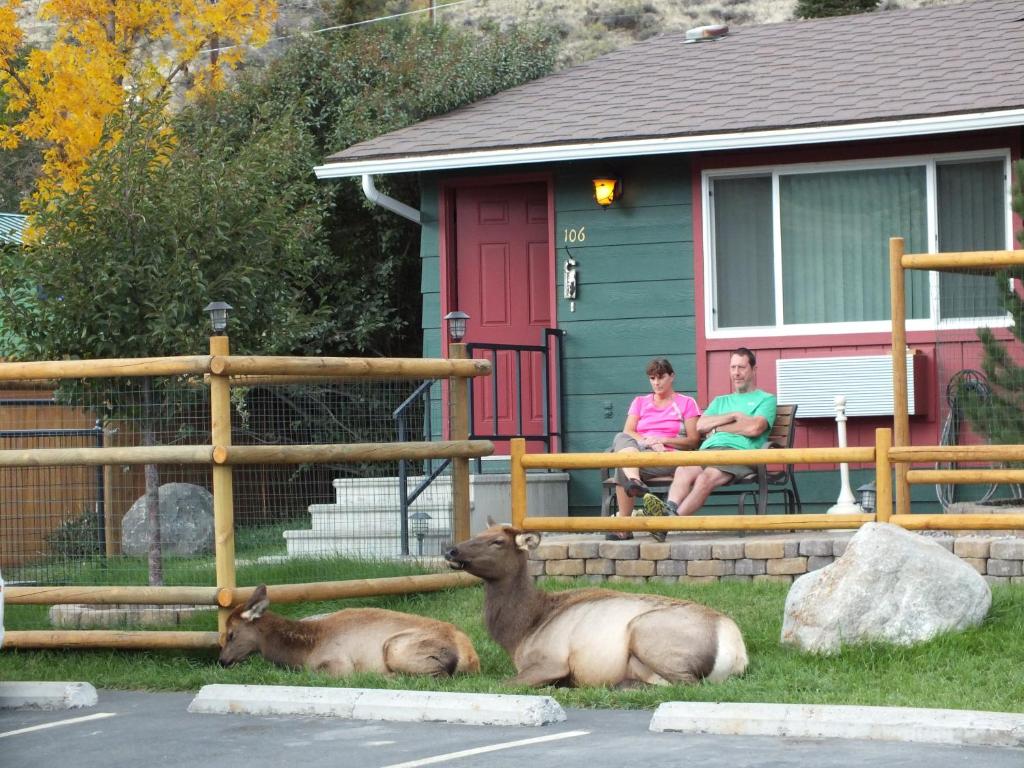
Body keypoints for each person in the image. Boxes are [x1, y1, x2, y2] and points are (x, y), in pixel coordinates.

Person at [639, 347, 776, 523]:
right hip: (708, 451)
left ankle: (669, 523)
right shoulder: (720, 401)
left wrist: (717, 428)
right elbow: (701, 425)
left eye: (742, 367)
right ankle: (669, 510)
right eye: (733, 367)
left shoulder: (766, 399)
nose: (736, 373)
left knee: (705, 478)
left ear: (754, 370)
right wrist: (733, 417)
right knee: (683, 469)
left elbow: (754, 428)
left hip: (739, 452)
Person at [605, 357, 701, 541]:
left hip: (669, 456)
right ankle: (635, 481)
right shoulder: (640, 402)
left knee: (622, 466)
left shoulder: (686, 403)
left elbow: (693, 441)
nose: (656, 383)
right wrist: (649, 442)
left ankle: (625, 526)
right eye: (652, 378)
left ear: (671, 376)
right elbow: (629, 431)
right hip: (642, 452)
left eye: (661, 377)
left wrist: (663, 440)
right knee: (621, 437)